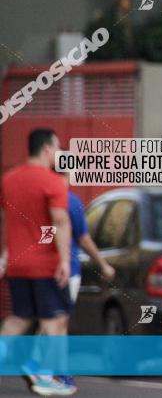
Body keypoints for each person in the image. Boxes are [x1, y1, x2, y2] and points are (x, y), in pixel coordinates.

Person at [0, 128, 75, 396]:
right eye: (57, 149)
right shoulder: (52, 182)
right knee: (56, 318)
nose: (59, 154)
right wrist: (65, 261)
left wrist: (6, 253)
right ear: (46, 149)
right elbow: (60, 220)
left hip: (18, 264)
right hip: (45, 265)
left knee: (19, 318)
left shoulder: (8, 179)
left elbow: (5, 218)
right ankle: (45, 375)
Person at [53, 172, 115, 392]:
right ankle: (57, 371)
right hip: (66, 270)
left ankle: (42, 367)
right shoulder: (69, 201)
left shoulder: (37, 200)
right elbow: (83, 238)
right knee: (59, 322)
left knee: (40, 320)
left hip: (38, 271)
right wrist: (103, 264)